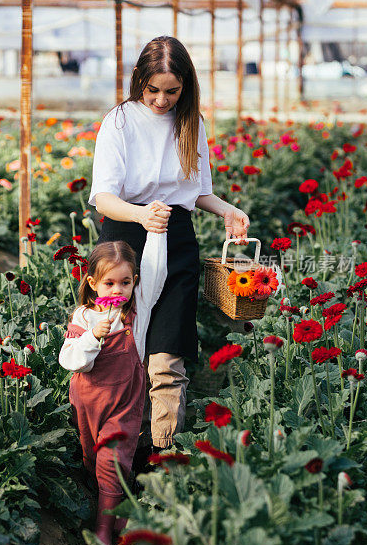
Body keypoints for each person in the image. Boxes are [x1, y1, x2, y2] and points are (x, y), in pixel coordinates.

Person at [88, 36, 250, 455]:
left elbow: (195, 192)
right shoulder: (119, 122)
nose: (161, 100)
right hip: (125, 239)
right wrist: (140, 215)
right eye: (153, 89)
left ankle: (161, 453)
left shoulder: (190, 122)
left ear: (186, 87)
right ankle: (119, 444)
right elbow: (102, 196)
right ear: (139, 80)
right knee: (121, 344)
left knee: (168, 349)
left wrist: (227, 210)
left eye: (172, 91)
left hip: (175, 237)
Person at [59, 230, 167, 545]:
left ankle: (103, 532)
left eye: (125, 282)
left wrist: (157, 231)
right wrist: (93, 337)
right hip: (88, 401)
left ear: (135, 282)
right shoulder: (83, 317)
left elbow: (156, 271)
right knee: (94, 461)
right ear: (93, 283)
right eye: (109, 283)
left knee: (111, 460)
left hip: (124, 404)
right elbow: (72, 361)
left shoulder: (137, 312)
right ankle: (116, 508)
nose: (118, 290)